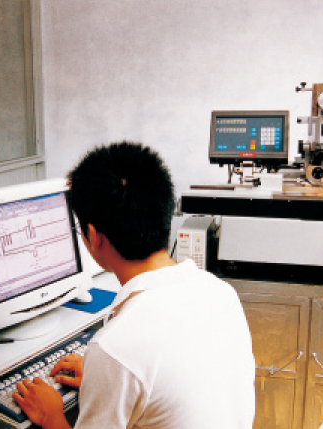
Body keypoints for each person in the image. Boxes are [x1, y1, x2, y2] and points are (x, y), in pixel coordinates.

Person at [13, 141, 255, 429]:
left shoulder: (116, 349)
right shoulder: (221, 293)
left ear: (93, 236)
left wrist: (51, 416)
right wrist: (104, 379)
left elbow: (132, 360)